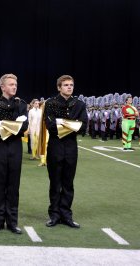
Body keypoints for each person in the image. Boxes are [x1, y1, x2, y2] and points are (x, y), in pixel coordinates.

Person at [0, 74, 28, 234]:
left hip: (16, 149)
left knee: (13, 186)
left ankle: (12, 222)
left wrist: (3, 124)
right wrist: (14, 124)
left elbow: (24, 128)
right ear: (2, 87)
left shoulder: (21, 104)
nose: (14, 86)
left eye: (15, 84)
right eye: (10, 84)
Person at [44, 75, 87, 229]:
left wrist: (61, 123)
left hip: (71, 148)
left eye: (71, 85)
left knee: (68, 183)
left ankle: (66, 215)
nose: (69, 87)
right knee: (55, 183)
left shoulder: (79, 104)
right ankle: (54, 215)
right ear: (59, 87)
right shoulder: (50, 103)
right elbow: (50, 126)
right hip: (55, 147)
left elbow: (83, 127)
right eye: (66, 85)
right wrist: (72, 125)